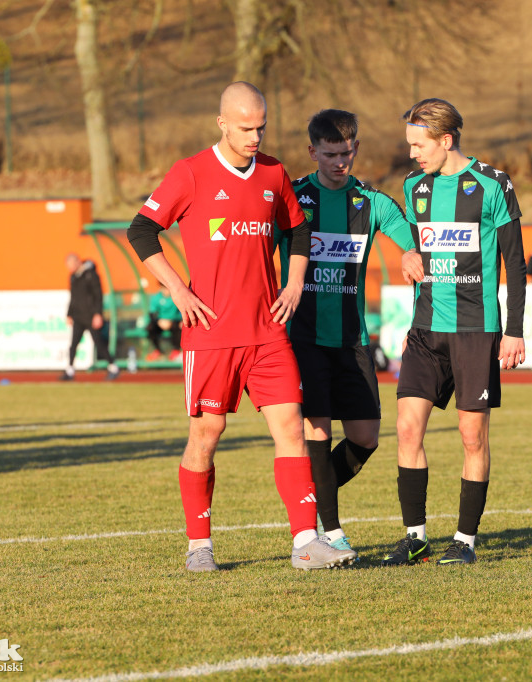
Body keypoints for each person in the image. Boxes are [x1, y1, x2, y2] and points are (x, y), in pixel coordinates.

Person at [125, 81, 356, 572]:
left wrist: (294, 284)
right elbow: (141, 229)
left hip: (268, 333)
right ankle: (199, 545)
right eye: (246, 128)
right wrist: (176, 289)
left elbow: (298, 229)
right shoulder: (189, 173)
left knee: (292, 427)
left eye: (262, 127)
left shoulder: (274, 172)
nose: (255, 136)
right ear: (223, 123)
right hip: (210, 334)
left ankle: (305, 542)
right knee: (207, 433)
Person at [384, 98, 527, 567]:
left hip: (476, 331)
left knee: (472, 437)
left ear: (447, 141)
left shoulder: (492, 185)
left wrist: (514, 331)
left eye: (419, 145)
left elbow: (515, 263)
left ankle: (464, 541)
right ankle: (416, 536)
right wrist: (410, 310)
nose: (412, 154)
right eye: (410, 145)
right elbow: (416, 255)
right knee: (407, 428)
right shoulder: (414, 187)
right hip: (426, 329)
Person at [275, 108, 417, 561]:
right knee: (316, 430)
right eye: (331, 154)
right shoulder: (293, 199)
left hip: (352, 341)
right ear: (312, 151)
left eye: (347, 153)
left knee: (366, 437)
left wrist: (411, 254)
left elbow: (410, 240)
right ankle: (331, 532)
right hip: (304, 338)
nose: (341, 162)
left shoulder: (372, 202)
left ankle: (308, 500)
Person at [62, 252, 121, 381]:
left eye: (71, 265)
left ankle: (113, 367)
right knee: (73, 344)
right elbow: (73, 297)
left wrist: (97, 315)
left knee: (99, 343)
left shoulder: (91, 275)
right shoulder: (73, 277)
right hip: (78, 317)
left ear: (77, 262)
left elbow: (98, 296)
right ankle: (70, 370)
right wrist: (69, 314)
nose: (70, 268)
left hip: (90, 316)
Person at [145, 285, 183, 361]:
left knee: (178, 327)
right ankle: (157, 350)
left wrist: (181, 320)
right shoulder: (156, 298)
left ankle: (176, 351)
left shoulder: (177, 297)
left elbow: (181, 311)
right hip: (161, 322)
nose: (166, 291)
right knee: (150, 328)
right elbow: (152, 313)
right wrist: (158, 321)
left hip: (174, 321)